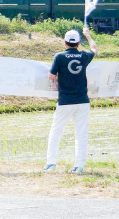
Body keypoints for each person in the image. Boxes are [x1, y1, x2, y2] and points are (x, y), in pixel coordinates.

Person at [43, 27, 98, 174]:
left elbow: (51, 76)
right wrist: (89, 36)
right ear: (78, 43)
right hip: (82, 100)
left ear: (65, 43)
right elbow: (94, 49)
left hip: (65, 101)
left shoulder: (59, 57)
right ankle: (79, 166)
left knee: (56, 132)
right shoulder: (84, 56)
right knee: (81, 133)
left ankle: (51, 164)